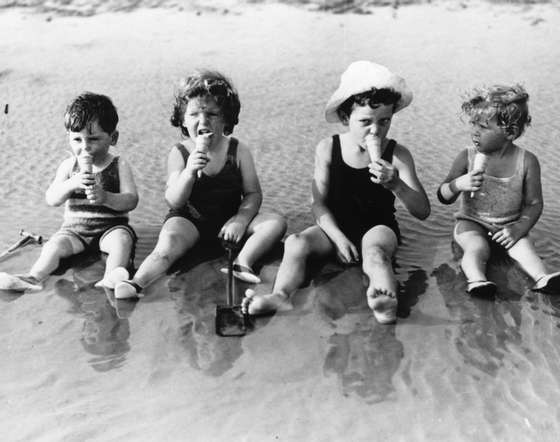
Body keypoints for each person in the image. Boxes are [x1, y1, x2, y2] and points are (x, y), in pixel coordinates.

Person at [242, 61, 430, 324]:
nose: (375, 130)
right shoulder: (328, 148)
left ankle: (385, 301)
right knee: (296, 242)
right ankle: (281, 295)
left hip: (378, 226)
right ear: (345, 119)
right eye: (365, 121)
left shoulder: (397, 154)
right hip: (334, 227)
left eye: (384, 121)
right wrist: (338, 238)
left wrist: (396, 184)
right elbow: (317, 203)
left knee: (375, 254)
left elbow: (423, 211)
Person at [114, 70, 286, 299]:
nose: (203, 121)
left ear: (226, 118)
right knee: (166, 246)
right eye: (194, 114)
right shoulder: (180, 152)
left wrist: (241, 219)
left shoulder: (238, 150)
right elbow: (173, 199)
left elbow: (253, 193)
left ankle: (243, 262)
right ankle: (137, 282)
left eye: (213, 114)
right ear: (183, 120)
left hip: (229, 220)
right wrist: (189, 172)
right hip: (189, 219)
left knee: (275, 223)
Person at [0, 92, 139, 292]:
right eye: (77, 140)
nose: (85, 147)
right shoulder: (69, 166)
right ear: (69, 138)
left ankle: (112, 277)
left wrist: (106, 197)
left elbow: (131, 200)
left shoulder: (119, 164)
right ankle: (34, 278)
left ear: (113, 138)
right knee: (52, 247)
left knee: (122, 241)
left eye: (93, 139)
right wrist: (71, 184)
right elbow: (52, 198)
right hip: (75, 231)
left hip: (110, 228)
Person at [437, 84, 560, 297]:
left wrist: (519, 228)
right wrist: (459, 184)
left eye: (483, 126)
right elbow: (443, 195)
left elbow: (534, 203)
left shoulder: (527, 161)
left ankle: (542, 278)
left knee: (524, 247)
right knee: (477, 248)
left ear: (510, 132)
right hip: (471, 221)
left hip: (509, 223)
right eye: (473, 123)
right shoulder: (465, 157)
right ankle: (477, 280)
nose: (474, 130)